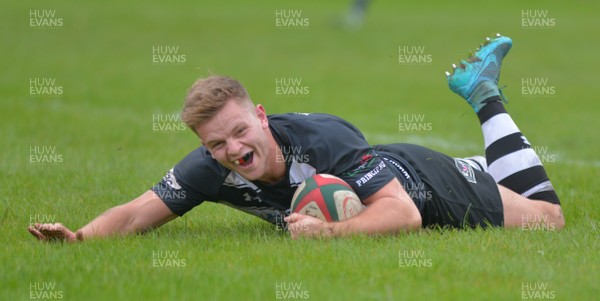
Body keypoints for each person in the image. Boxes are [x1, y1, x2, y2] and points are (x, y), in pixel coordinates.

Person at [28, 34, 564, 242]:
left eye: (240, 131)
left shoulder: (320, 136)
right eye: (216, 145)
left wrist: (326, 235)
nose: (233, 151)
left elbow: (403, 216)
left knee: (549, 219)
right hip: (380, 173)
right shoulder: (211, 166)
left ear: (261, 117)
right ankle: (483, 150)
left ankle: (482, 94)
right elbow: (137, 211)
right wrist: (80, 238)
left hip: (424, 185)